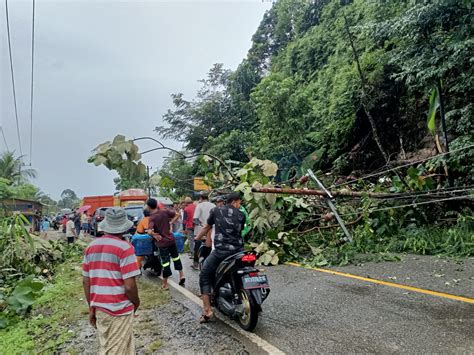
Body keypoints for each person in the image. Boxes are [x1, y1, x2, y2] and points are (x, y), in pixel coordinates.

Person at [82, 207, 141, 355]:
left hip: (100, 308)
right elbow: (129, 286)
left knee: (111, 346)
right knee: (116, 350)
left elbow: (85, 281)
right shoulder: (125, 248)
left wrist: (92, 307)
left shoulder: (90, 247)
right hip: (119, 308)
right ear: (124, 226)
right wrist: (136, 302)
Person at [195, 192, 246, 323]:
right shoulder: (241, 214)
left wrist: (197, 237)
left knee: (204, 275)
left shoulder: (216, 211)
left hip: (221, 252)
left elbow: (207, 226)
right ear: (234, 202)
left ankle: (207, 310)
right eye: (239, 202)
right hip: (240, 251)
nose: (239, 205)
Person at [146, 198, 185, 289]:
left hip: (162, 243)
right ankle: (182, 275)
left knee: (165, 263)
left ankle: (165, 284)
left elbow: (149, 231)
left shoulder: (152, 217)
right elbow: (177, 214)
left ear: (148, 206)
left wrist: (153, 234)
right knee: (176, 258)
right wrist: (170, 223)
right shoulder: (164, 211)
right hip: (171, 240)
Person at [192, 192, 215, 269]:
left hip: (201, 230)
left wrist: (202, 225)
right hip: (212, 229)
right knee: (210, 246)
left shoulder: (199, 205)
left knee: (197, 246)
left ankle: (195, 263)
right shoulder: (213, 205)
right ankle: (208, 262)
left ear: (200, 198)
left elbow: (195, 219)